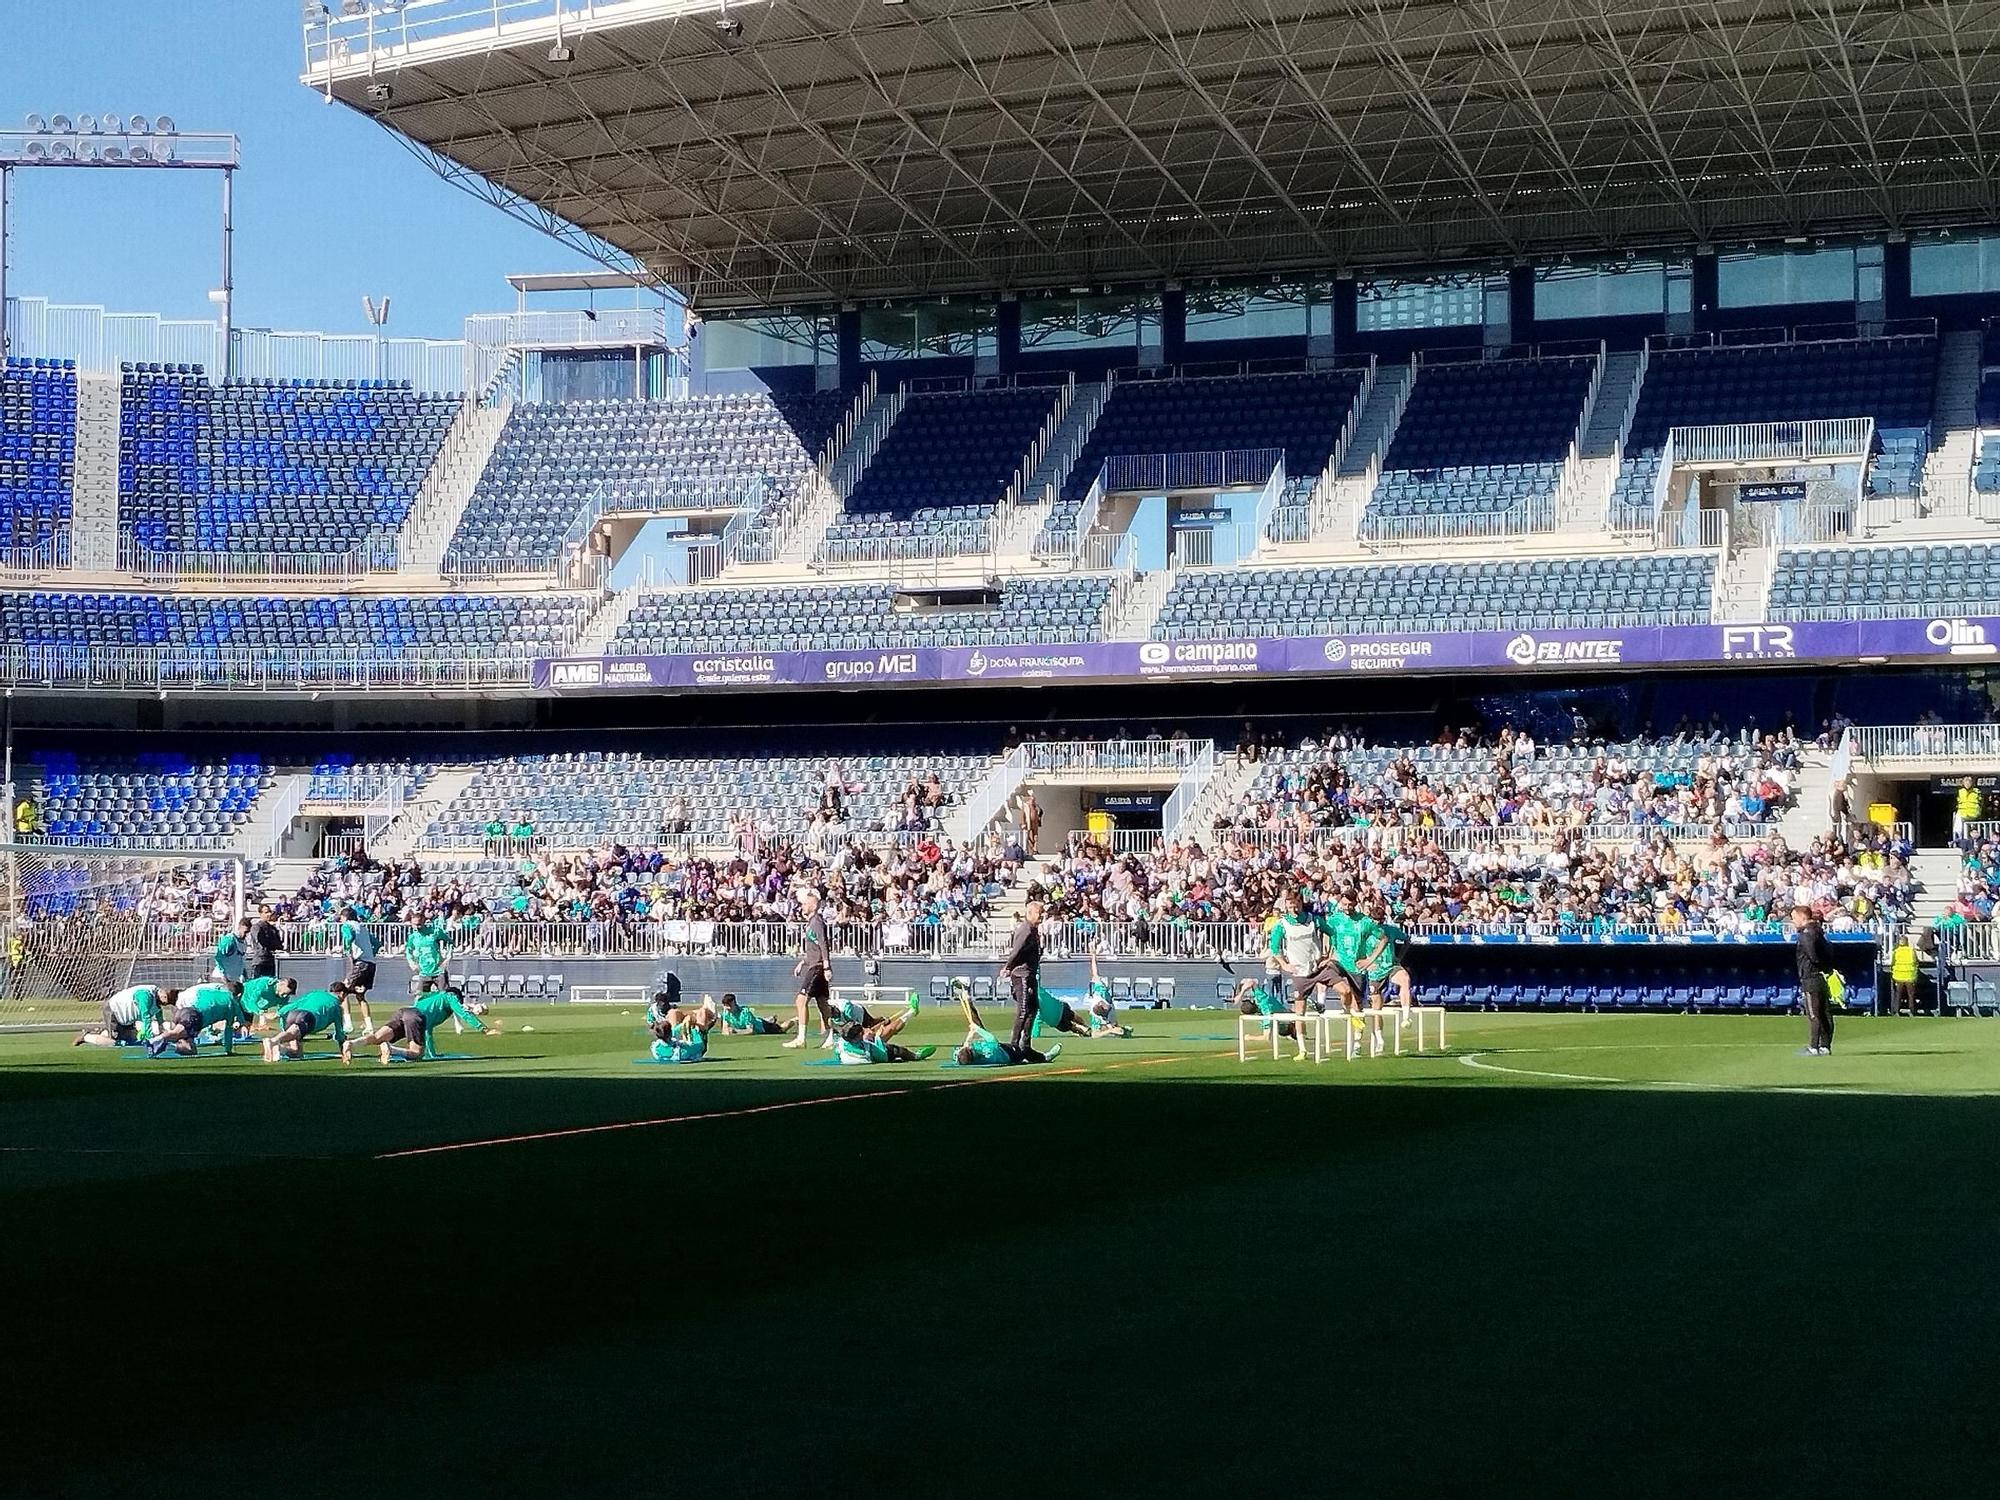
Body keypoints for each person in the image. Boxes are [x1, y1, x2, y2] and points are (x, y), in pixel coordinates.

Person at [343, 983, 499, 1066]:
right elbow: (463, 1013)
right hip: (415, 1017)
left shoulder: (434, 999)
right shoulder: (450, 997)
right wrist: (484, 1029)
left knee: (377, 1036)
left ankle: (352, 1043)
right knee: (417, 1054)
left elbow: (427, 1031)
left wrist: (433, 1054)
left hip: (404, 1011)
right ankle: (391, 1049)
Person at [782, 888, 833, 1049]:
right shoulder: (811, 923)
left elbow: (823, 944)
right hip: (814, 964)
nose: (802, 907)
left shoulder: (817, 922)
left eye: (804, 904)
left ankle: (801, 1038)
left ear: (812, 905)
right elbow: (814, 948)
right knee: (823, 1004)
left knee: (801, 1000)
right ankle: (833, 1036)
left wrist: (826, 966)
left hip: (817, 968)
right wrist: (802, 962)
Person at [147, 980, 247, 1057]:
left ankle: (163, 1047)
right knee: (175, 1034)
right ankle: (153, 1041)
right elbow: (228, 1030)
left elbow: (201, 998)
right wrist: (228, 1050)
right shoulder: (233, 1004)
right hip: (195, 1017)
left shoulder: (209, 991)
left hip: (185, 1011)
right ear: (238, 995)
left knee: (190, 1050)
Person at [1000, 889, 1045, 1051]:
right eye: (1039, 913)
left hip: (1030, 973)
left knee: (1033, 1009)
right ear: (1030, 913)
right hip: (1021, 974)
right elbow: (1016, 951)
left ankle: (1026, 1044)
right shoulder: (1025, 931)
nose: (1042, 916)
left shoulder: (1033, 930)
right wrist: (1007, 967)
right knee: (1024, 1009)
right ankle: (1014, 1044)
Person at [263, 984, 350, 1062]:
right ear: (342, 993)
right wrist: (344, 1050)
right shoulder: (337, 1007)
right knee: (291, 1033)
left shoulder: (316, 993)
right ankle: (273, 1041)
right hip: (307, 1017)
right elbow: (339, 1032)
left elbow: (297, 1003)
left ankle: (279, 1048)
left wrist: (279, 1013)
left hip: (291, 1014)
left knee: (297, 1053)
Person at [1792, 902, 1836, 1056]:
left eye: (1794, 918)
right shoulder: (1820, 933)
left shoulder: (1806, 935)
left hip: (1811, 977)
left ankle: (1813, 1047)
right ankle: (1825, 1045)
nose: (1793, 922)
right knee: (1824, 1012)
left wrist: (1817, 967)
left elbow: (1813, 956)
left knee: (1813, 1013)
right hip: (1821, 976)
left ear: (1803, 918)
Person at [74, 983, 176, 1048]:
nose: (165, 1004)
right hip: (114, 1011)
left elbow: (158, 1013)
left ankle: (100, 1031)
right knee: (113, 1042)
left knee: (129, 1040)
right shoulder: (145, 995)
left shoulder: (158, 999)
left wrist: (161, 1029)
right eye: (166, 1000)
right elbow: (145, 1016)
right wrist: (151, 1039)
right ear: (162, 993)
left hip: (127, 1018)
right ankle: (86, 1036)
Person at [338, 906, 380, 1033]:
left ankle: (348, 1025)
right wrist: (370, 954)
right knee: (360, 995)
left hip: (359, 963)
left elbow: (348, 937)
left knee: (342, 992)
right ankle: (369, 1026)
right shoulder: (363, 928)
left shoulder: (347, 926)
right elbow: (377, 943)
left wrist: (346, 949)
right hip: (371, 964)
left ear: (344, 917)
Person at [953, 1019, 1059, 1068]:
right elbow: (991, 1038)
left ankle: (969, 1001)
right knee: (1023, 1049)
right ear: (972, 1052)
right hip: (1010, 1054)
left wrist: (970, 1035)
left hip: (1002, 1049)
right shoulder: (989, 1051)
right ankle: (1045, 1057)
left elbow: (965, 1046)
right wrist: (977, 1029)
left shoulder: (967, 1057)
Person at [713, 991, 794, 1037]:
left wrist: (736, 1032)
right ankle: (769, 1019)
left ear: (734, 1003)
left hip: (763, 1027)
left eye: (728, 1005)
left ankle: (794, 1020)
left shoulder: (745, 1012)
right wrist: (726, 1031)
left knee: (782, 1029)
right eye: (725, 1006)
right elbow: (724, 1029)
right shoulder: (726, 1013)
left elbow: (751, 1031)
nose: (727, 1008)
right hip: (756, 1021)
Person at [244, 906, 283, 982]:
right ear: (260, 914)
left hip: (270, 961)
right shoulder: (257, 927)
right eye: (266, 912)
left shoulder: (272, 928)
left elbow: (278, 944)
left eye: (269, 912)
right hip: (260, 960)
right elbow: (260, 941)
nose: (268, 914)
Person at [1889, 927, 1921, 1017]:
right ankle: (1912, 1011)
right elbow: (1916, 961)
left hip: (1899, 976)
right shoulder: (1911, 950)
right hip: (1910, 975)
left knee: (1898, 994)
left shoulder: (1895, 951)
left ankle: (1896, 1011)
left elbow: (1892, 962)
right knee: (1910, 995)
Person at [211, 917, 250, 986]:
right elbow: (218, 958)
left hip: (234, 979)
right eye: (245, 932)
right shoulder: (229, 940)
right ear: (240, 927)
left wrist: (244, 974)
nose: (246, 935)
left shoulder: (244, 942)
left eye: (248, 932)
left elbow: (240, 961)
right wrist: (223, 976)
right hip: (221, 979)